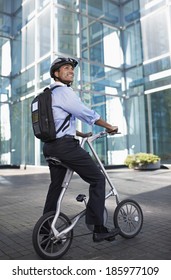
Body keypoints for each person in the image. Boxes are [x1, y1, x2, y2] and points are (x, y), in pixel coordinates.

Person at [43, 57, 120, 242]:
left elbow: (57, 122)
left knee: (56, 188)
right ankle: (99, 229)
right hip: (65, 147)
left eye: (72, 68)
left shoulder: (47, 95)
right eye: (66, 68)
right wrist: (108, 126)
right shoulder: (64, 92)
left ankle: (46, 229)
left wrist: (80, 134)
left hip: (50, 147)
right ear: (56, 73)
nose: (71, 71)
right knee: (98, 179)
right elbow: (84, 112)